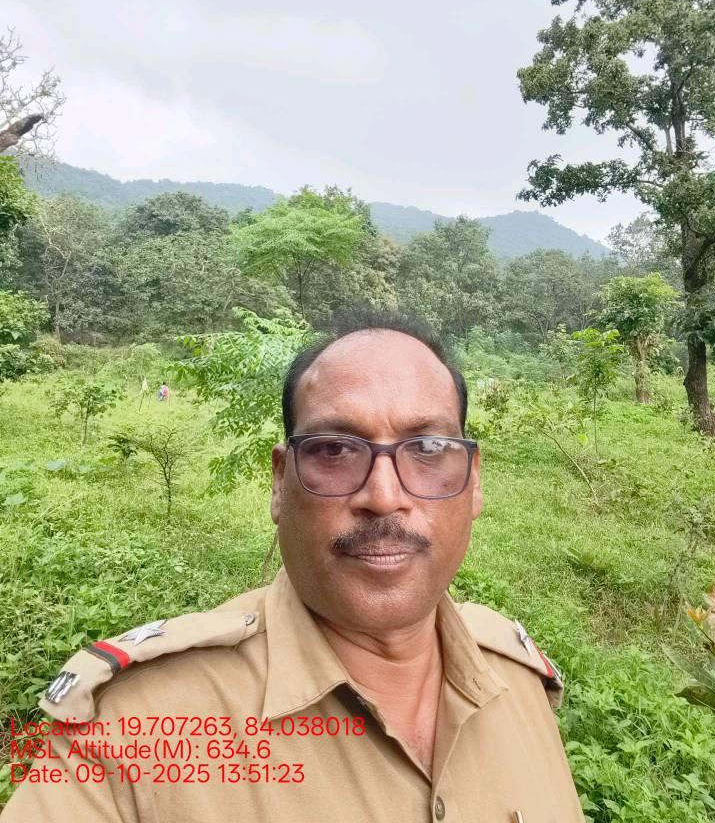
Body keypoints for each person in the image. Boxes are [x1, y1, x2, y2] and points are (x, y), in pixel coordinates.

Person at [3, 312, 584, 822]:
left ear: (473, 482)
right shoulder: (132, 730)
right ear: (281, 481)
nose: (384, 497)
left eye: (428, 449)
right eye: (335, 449)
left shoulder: (519, 684)